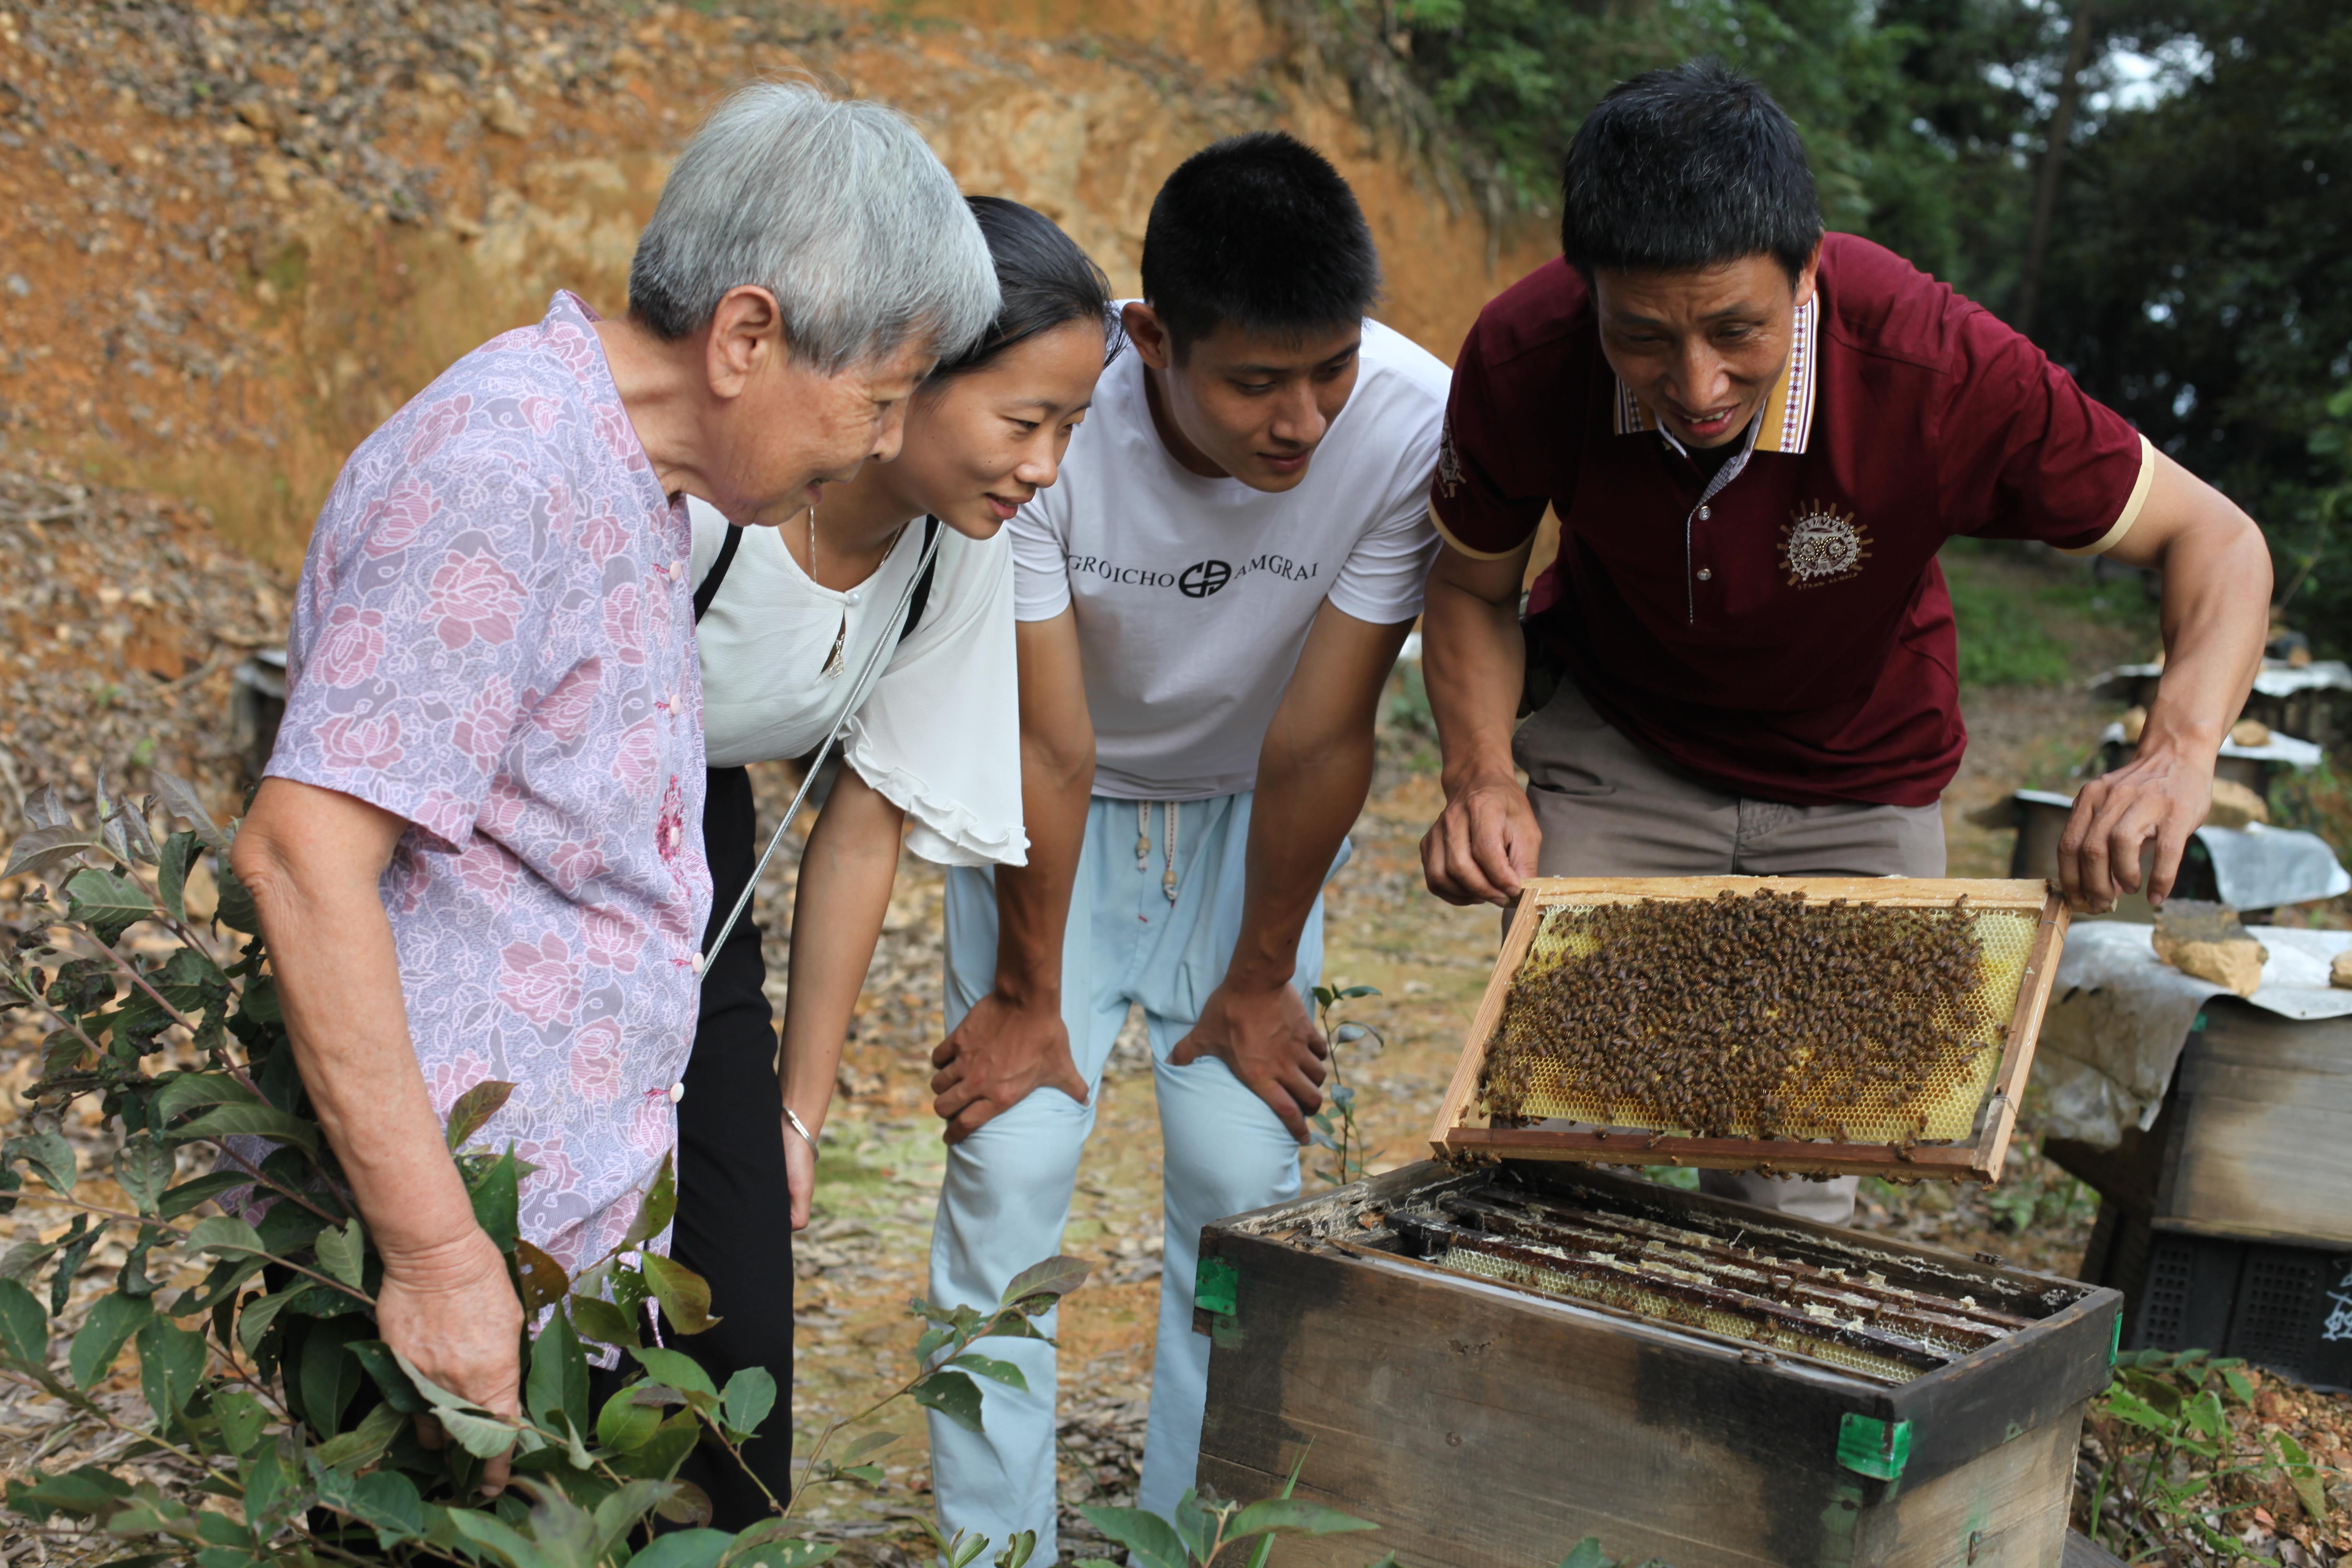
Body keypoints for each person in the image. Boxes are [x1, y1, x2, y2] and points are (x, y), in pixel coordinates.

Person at [228, 83, 998, 1495]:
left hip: (562, 1244)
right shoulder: (502, 468)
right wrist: (440, 1253)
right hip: (461, 1260)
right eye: (879, 399)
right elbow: (300, 854)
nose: (888, 444)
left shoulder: (639, 483)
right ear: (748, 336)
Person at [1416, 61, 2272, 1222]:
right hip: (1621, 737)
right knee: (1554, 1160)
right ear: (1588, 294)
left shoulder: (1937, 363)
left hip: (1860, 776)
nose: (1697, 383)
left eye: (1737, 331)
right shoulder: (1526, 354)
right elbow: (1470, 590)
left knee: (1801, 1184)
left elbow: (2216, 540)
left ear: (1809, 271)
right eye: (1644, 340)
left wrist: (2177, 751)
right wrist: (1479, 775)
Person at [923, 132, 1450, 1553]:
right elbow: (1049, 741)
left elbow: (1326, 734)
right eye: (1256, 383)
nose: (1304, 421)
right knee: (1011, 1179)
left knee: (1243, 1199)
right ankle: (992, 1552)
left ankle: (1200, 1536)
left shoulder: (1408, 421)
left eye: (1328, 369)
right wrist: (1030, 1000)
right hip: (1050, 822)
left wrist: (1265, 972)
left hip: (1254, 825)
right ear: (1150, 340)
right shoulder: (1059, 407)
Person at [669, 197, 1119, 1528]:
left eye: (1073, 430)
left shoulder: (953, 545)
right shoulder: (709, 498)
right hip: (552, 842)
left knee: (733, 1344)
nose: (1045, 467)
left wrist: (793, 1116)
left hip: (705, 856)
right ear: (912, 372)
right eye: (1023, 421)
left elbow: (859, 821)